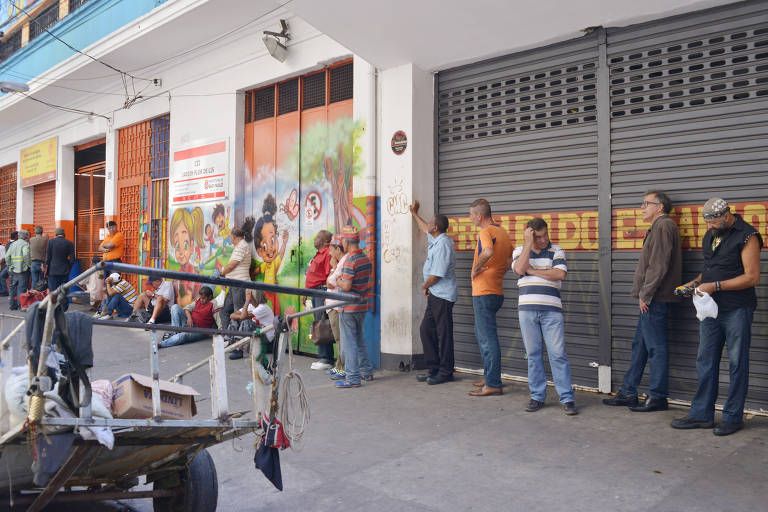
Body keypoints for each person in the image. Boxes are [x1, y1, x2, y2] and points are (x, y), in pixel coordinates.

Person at [671, 198, 763, 436]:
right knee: (705, 362)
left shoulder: (747, 236)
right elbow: (711, 270)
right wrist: (693, 284)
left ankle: (733, 418)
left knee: (736, 364)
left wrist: (716, 286)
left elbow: (752, 277)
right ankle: (702, 415)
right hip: (711, 309)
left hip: (737, 309)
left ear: (726, 215)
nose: (710, 226)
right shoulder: (711, 236)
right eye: (707, 222)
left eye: (713, 221)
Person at [604, 190, 681, 412]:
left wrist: (645, 294)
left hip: (654, 298)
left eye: (646, 203)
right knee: (640, 346)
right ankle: (629, 392)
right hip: (651, 297)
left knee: (656, 348)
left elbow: (658, 265)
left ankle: (658, 396)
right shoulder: (658, 227)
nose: (642, 207)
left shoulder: (663, 226)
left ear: (660, 207)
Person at [512, 218, 577, 415]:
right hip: (527, 310)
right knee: (533, 355)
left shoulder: (557, 250)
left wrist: (532, 270)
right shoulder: (519, 251)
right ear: (530, 235)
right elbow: (519, 269)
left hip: (551, 311)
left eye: (545, 235)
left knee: (557, 354)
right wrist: (527, 245)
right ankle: (537, 396)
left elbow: (560, 274)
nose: (543, 240)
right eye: (538, 237)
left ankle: (567, 398)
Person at [467, 199, 511, 397]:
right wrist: (496, 272)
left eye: (471, 215)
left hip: (484, 291)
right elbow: (510, 260)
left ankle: (493, 383)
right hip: (496, 290)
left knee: (487, 339)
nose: (470, 218)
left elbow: (488, 251)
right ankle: (489, 375)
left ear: (479, 216)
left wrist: (476, 268)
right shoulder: (502, 232)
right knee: (481, 334)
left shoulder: (485, 232)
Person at [410, 200, 457, 385]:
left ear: (436, 227)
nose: (427, 225)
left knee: (443, 333)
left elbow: (438, 274)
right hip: (436, 294)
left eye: (430, 223)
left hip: (442, 295)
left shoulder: (444, 244)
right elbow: (423, 227)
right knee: (426, 330)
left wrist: (424, 286)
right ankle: (434, 368)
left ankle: (445, 372)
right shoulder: (437, 239)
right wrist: (414, 213)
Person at [335, 226, 374, 389]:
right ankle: (367, 371)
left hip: (349, 307)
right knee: (359, 339)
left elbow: (346, 285)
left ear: (346, 242)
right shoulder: (365, 259)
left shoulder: (350, 260)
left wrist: (337, 281)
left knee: (349, 342)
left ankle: (352, 377)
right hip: (362, 306)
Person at [306, 229, 334, 370]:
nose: (315, 239)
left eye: (317, 237)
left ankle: (325, 359)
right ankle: (324, 357)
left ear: (325, 241)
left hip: (321, 292)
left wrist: (326, 296)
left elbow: (329, 276)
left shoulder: (327, 253)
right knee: (319, 323)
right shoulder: (319, 254)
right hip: (315, 292)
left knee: (322, 324)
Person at [227, 289, 276, 359]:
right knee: (235, 320)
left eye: (249, 295)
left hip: (266, 338)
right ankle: (230, 343)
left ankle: (239, 349)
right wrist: (242, 316)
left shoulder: (263, 307)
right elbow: (232, 315)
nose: (247, 296)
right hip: (257, 334)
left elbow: (243, 317)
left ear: (255, 297)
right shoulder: (252, 306)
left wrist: (246, 302)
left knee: (246, 321)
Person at [219, 226, 252, 330]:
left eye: (231, 237)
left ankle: (239, 340)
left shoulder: (242, 245)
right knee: (225, 311)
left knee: (239, 312)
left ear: (234, 236)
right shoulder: (239, 246)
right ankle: (228, 336)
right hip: (234, 285)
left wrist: (222, 274)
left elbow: (232, 265)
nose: (230, 239)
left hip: (240, 284)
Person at [326, 235, 348, 378]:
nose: (329, 252)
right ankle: (339, 364)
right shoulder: (340, 262)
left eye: (331, 249)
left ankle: (342, 367)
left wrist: (333, 268)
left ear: (338, 249)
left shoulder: (341, 263)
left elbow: (330, 283)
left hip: (336, 306)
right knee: (339, 338)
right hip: (332, 305)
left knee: (340, 338)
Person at [45, 227, 75, 311]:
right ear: (64, 234)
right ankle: (64, 308)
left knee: (53, 291)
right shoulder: (69, 243)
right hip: (64, 271)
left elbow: (48, 257)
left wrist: (46, 266)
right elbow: (72, 258)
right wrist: (68, 267)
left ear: (55, 234)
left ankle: (53, 308)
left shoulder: (50, 242)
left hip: (53, 271)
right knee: (63, 290)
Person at [6, 230, 30, 311]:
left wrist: (10, 265)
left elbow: (7, 256)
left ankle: (12, 305)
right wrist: (28, 264)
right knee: (22, 288)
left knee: (13, 288)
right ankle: (21, 306)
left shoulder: (12, 244)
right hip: (22, 270)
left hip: (13, 270)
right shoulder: (25, 244)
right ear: (26, 236)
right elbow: (26, 255)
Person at [29, 226, 48, 290]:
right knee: (42, 280)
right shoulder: (45, 240)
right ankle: (42, 296)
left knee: (34, 280)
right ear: (42, 232)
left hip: (33, 263)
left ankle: (33, 295)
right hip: (42, 263)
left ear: (35, 232)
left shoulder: (31, 239)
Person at [0, 231, 19, 297]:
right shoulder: (15, 244)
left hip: (9, 265)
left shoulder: (8, 244)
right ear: (16, 237)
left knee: (6, 278)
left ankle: (9, 294)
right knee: (14, 282)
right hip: (14, 266)